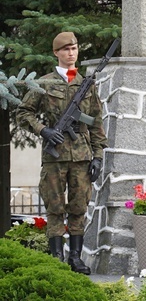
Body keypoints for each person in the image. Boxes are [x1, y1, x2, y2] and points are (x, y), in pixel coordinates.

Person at [16, 32, 108, 274]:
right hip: (54, 158)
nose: (71, 53)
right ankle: (57, 257)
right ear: (56, 53)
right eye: (66, 49)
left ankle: (75, 258)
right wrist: (43, 130)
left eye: (75, 48)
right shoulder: (44, 84)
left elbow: (96, 122)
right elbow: (23, 113)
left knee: (79, 207)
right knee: (55, 208)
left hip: (81, 158)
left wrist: (98, 156)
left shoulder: (86, 84)